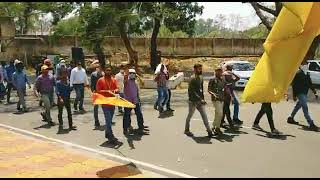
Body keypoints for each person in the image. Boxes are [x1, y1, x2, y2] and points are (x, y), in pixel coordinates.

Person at [184, 64, 213, 137]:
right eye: (199, 69)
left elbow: (201, 90)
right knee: (190, 116)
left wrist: (202, 99)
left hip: (200, 101)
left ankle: (209, 131)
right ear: (194, 69)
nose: (200, 70)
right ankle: (186, 130)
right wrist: (200, 99)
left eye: (201, 69)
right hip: (193, 101)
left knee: (204, 116)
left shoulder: (201, 77)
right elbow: (191, 91)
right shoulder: (192, 78)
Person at [287, 64, 319, 131]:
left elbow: (310, 84)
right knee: (305, 108)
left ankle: (291, 118)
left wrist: (315, 92)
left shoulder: (307, 74)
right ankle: (311, 123)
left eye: (306, 66)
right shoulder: (298, 74)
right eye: (304, 65)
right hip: (300, 93)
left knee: (298, 106)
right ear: (301, 67)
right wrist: (294, 95)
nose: (306, 67)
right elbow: (294, 85)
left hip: (304, 93)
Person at [96, 66, 119, 143]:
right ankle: (110, 135)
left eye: (109, 70)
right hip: (105, 103)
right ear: (104, 71)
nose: (108, 72)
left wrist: (115, 91)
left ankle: (107, 133)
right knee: (108, 120)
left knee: (110, 119)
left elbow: (117, 88)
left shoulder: (113, 79)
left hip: (112, 103)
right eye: (107, 70)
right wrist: (106, 91)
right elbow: (98, 91)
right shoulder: (100, 80)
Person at [123, 68, 146, 135]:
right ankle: (125, 129)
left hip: (136, 101)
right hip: (128, 102)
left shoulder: (135, 81)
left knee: (139, 115)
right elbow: (125, 77)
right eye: (131, 73)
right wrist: (127, 73)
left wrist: (138, 76)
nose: (132, 74)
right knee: (126, 116)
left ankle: (141, 128)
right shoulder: (126, 81)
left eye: (133, 73)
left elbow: (142, 84)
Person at [208, 68, 227, 135]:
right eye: (218, 72)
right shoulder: (212, 79)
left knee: (217, 113)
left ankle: (213, 126)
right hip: (215, 99)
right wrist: (213, 94)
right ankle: (217, 128)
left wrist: (229, 96)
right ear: (215, 72)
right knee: (220, 113)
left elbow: (225, 88)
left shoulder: (223, 80)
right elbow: (209, 89)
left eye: (220, 72)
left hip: (222, 98)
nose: (219, 73)